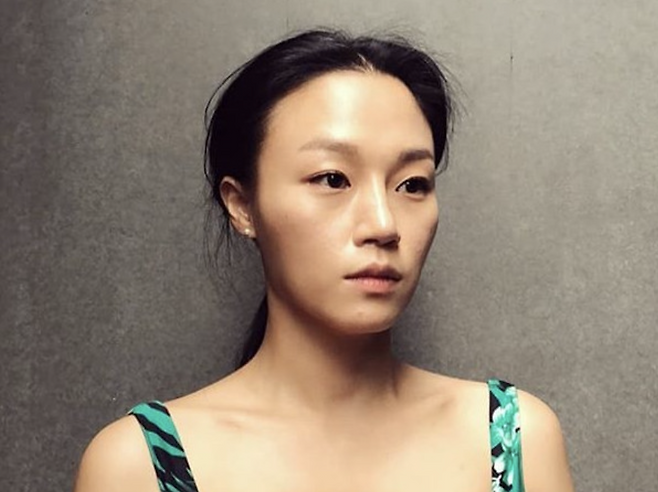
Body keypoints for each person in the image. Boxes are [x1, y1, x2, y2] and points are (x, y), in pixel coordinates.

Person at [73, 29, 574, 492]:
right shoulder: (140, 465)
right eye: (333, 179)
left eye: (412, 184)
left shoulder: (512, 439)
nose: (383, 224)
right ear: (242, 206)